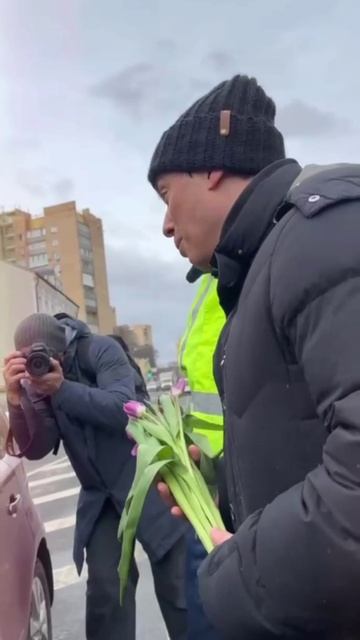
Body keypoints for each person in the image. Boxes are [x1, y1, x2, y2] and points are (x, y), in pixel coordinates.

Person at [148, 73, 360, 639]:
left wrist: (237, 572)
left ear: (212, 168)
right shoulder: (264, 262)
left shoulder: (320, 236)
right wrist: (218, 488)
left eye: (167, 195)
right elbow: (307, 439)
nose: (166, 223)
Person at [3, 313, 188, 640]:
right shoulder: (38, 381)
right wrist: (17, 400)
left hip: (146, 479)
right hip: (102, 497)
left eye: (40, 353)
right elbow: (37, 447)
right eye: (27, 356)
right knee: (106, 590)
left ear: (59, 348)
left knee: (178, 586)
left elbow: (122, 410)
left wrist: (61, 389)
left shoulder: (101, 351)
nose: (36, 361)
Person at [179, 268, 225, 639]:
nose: (167, 226)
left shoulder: (263, 262)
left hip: (234, 485)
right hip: (209, 482)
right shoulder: (213, 278)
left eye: (168, 204)